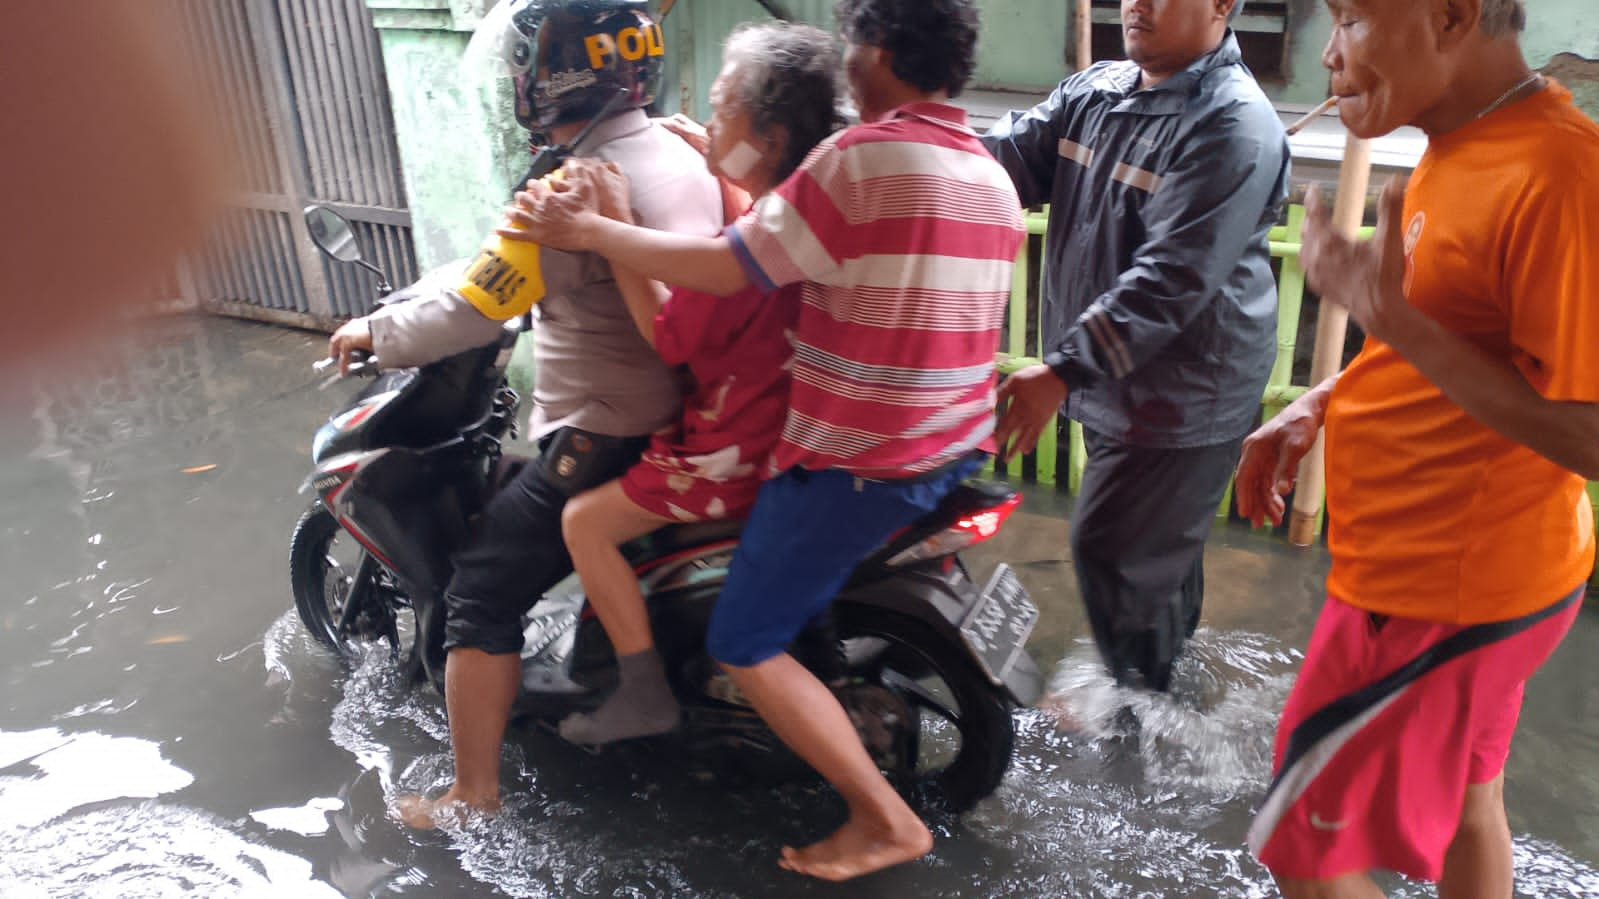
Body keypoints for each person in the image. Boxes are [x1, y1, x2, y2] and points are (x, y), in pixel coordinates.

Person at [501, 0, 1023, 878]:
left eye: (719, 108)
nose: (846, 62)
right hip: (953, 446)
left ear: (880, 49)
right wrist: (711, 155)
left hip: (855, 464)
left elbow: (717, 272)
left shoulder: (856, 161)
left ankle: (882, 818)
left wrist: (590, 229)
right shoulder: (985, 169)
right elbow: (771, 227)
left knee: (742, 638)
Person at [1235, 1, 1599, 895]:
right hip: (1475, 576)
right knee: (1474, 801)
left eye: (1352, 19)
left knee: (1304, 847)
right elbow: (1458, 339)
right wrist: (1322, 399)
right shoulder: (1461, 138)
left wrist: (1393, 320)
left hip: (1441, 591)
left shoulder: (1558, 173)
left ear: (1448, 16)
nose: (1328, 53)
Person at [346, 0, 724, 829]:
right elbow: (498, 261)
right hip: (670, 414)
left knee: (479, 591)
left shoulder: (569, 189)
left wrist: (374, 330)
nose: (518, 80)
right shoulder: (675, 152)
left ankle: (470, 795)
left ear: (554, 77)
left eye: (527, 65)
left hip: (601, 427)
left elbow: (478, 310)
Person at [981, 0, 1289, 695]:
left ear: (1220, 6)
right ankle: (1163, 697)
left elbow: (1172, 278)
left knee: (1113, 550)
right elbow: (994, 165)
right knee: (1153, 560)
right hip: (1122, 375)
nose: (1136, 3)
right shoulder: (1094, 93)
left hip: (1185, 390)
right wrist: (907, 161)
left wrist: (1060, 369)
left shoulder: (1231, 123)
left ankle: (1137, 725)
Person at [554, 21, 842, 746]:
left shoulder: (730, 262)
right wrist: (717, 163)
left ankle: (642, 689)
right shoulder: (797, 210)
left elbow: (664, 333)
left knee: (581, 522)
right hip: (791, 433)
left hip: (731, 450)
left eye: (720, 110)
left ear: (770, 141)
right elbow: (752, 221)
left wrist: (607, 224)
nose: (706, 121)